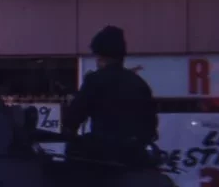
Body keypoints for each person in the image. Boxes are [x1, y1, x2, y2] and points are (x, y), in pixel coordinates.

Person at [61, 26, 159, 167]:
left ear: (100, 56)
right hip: (134, 155)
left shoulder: (94, 80)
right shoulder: (139, 83)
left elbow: (74, 117)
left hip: (101, 156)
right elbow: (151, 126)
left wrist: (69, 131)